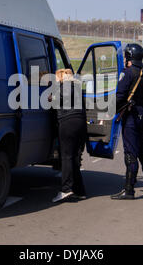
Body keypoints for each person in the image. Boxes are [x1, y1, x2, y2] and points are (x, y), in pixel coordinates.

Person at [110, 43, 143, 200]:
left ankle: (129, 189)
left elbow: (119, 96)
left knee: (131, 152)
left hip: (131, 116)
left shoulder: (127, 73)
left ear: (129, 57)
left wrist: (112, 110)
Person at [52, 69, 87, 203]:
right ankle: (80, 190)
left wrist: (52, 97)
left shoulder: (65, 87)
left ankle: (66, 189)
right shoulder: (77, 87)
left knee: (66, 156)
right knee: (75, 158)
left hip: (67, 122)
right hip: (80, 123)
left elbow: (58, 99)